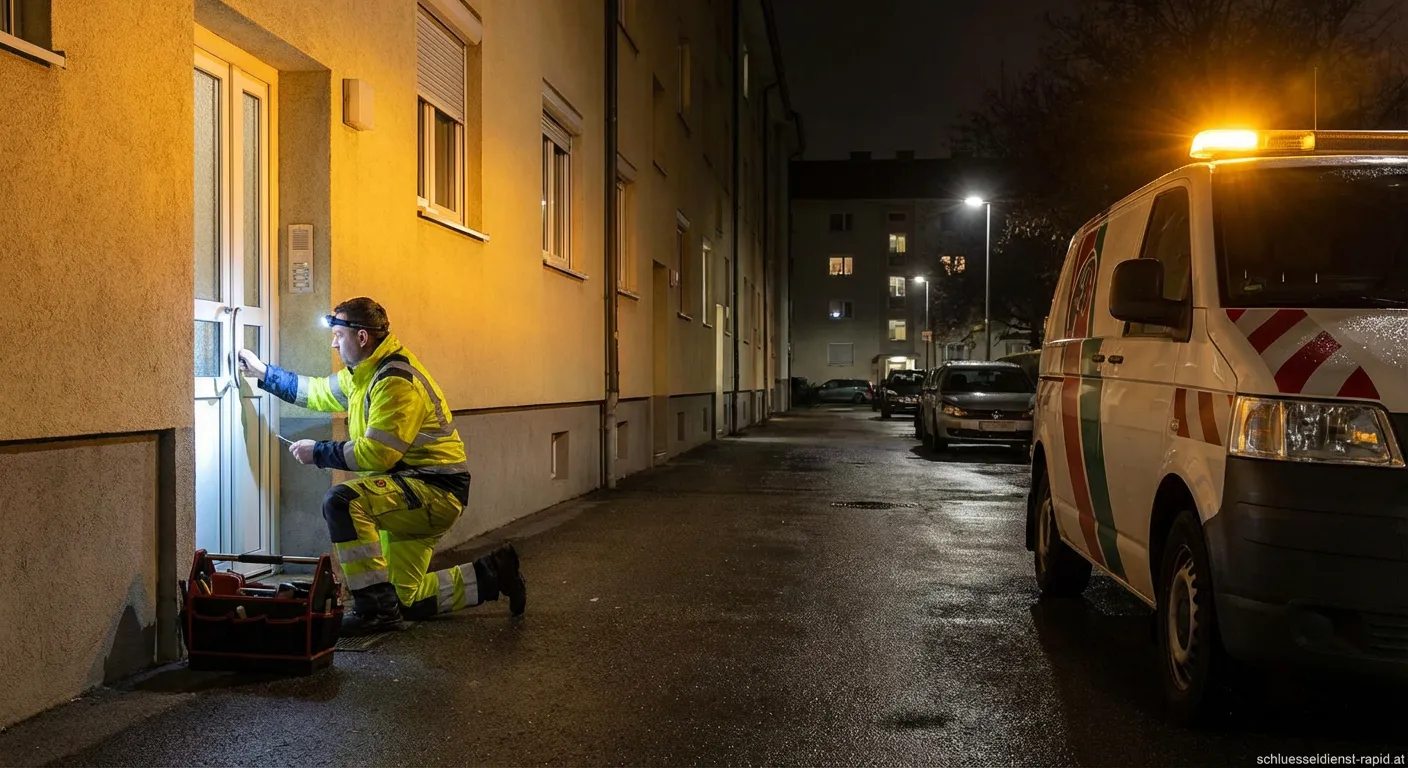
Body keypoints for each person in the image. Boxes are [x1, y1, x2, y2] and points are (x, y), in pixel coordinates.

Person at [237, 297, 526, 635]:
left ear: (362, 337)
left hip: (432, 491)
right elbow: (316, 391)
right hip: (414, 492)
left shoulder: (394, 381)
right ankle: (497, 572)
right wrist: (263, 373)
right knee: (408, 600)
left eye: (339, 335)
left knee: (342, 501)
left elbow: (377, 454)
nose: (333, 343)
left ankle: (373, 610)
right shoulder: (364, 374)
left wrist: (318, 452)